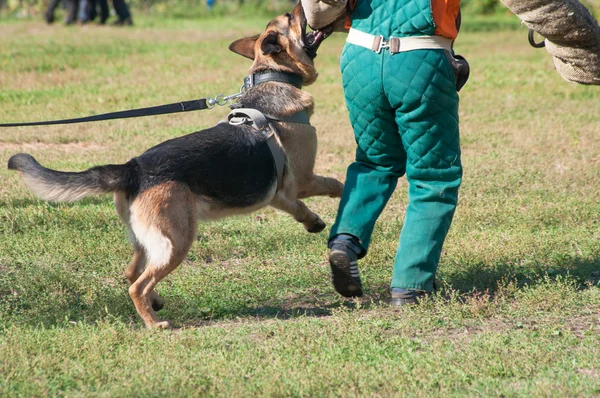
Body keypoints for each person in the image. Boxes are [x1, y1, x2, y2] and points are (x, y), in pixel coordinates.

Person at [302, 0, 469, 305]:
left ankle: (346, 241)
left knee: (374, 161)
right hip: (420, 59)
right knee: (434, 176)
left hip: (359, 58)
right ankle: (412, 285)